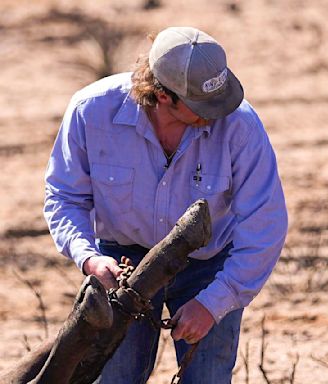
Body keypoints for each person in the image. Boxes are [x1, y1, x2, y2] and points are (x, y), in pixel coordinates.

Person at [44, 26, 288, 383]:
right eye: (203, 104)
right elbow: (64, 197)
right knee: (116, 378)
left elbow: (265, 224)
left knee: (207, 379)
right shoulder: (90, 112)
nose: (218, 111)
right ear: (162, 95)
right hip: (123, 263)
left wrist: (214, 302)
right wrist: (90, 258)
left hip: (210, 266)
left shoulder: (241, 127)